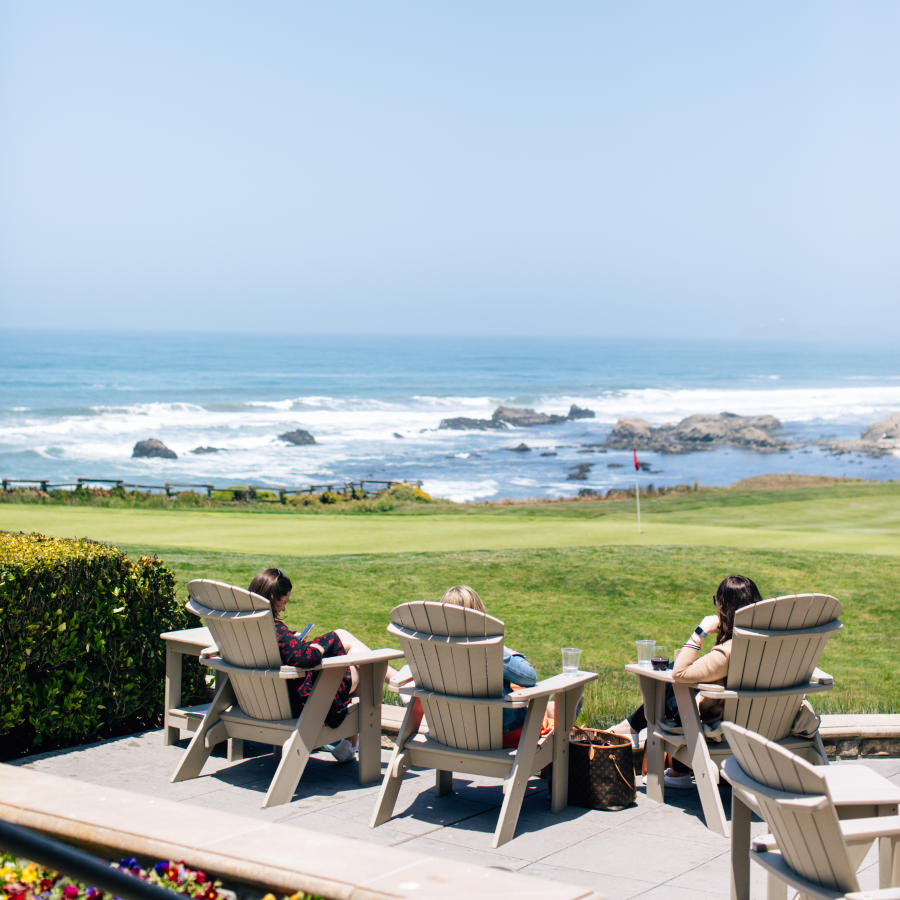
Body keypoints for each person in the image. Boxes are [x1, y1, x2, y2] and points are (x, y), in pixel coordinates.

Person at [610, 574, 763, 788]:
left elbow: (680, 674)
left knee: (671, 678)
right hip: (766, 723)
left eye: (716, 601)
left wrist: (700, 632)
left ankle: (634, 729)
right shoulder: (774, 646)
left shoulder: (729, 652)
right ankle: (638, 733)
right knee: (675, 678)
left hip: (722, 726)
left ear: (725, 608)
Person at [248, 567, 389, 763]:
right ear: (271, 597)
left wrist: (292, 641)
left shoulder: (244, 630)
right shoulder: (275, 631)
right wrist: (318, 648)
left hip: (258, 702)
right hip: (302, 705)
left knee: (346, 643)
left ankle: (350, 745)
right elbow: (306, 659)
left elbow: (287, 650)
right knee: (365, 671)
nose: (284, 608)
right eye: (283, 601)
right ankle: (397, 681)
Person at [439, 585, 538, 747]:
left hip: (449, 736)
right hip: (502, 736)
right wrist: (501, 648)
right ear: (480, 614)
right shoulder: (489, 651)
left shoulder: (431, 650)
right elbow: (529, 677)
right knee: (562, 708)